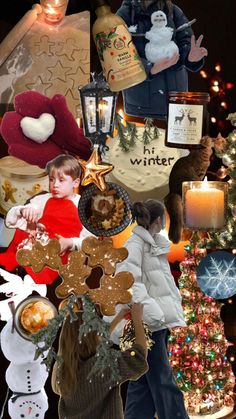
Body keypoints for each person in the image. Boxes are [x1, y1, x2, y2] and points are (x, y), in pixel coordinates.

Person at [109, 199, 189, 419]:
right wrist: (155, 314)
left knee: (142, 383)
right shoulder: (135, 246)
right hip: (147, 325)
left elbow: (158, 284)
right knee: (163, 380)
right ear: (158, 220)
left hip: (153, 324)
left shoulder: (150, 245)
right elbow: (129, 283)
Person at [0, 154, 91, 284]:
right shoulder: (44, 199)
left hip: (58, 252)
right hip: (37, 240)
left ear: (75, 182)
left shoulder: (82, 207)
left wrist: (71, 242)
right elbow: (21, 214)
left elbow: (88, 241)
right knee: (22, 238)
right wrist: (24, 210)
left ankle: (28, 278)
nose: (55, 185)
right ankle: (15, 267)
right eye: (52, 180)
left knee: (40, 273)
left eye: (61, 180)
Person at [51, 303, 148, 419]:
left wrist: (118, 318)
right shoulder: (104, 365)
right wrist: (137, 318)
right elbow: (139, 356)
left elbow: (94, 341)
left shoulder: (62, 368)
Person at [116, 0, 208, 118]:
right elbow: (120, 55)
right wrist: (150, 68)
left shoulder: (174, 11)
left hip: (176, 104)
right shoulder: (125, 14)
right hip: (141, 108)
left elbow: (185, 41)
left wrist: (190, 57)